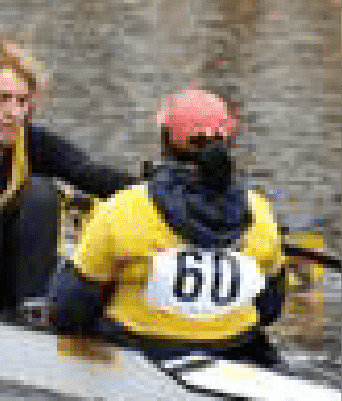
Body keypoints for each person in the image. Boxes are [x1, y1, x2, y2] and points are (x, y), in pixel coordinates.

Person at [48, 89, 286, 367]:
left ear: (165, 141)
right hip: (237, 346)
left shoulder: (122, 208)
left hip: (144, 351)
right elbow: (270, 308)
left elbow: (67, 313)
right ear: (228, 144)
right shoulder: (259, 211)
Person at [0, 36, 135, 313]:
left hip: (9, 281)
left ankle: (32, 318)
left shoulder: (32, 142)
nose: (13, 112)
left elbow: (90, 173)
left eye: (22, 101)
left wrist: (160, 190)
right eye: (1, 99)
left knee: (42, 193)